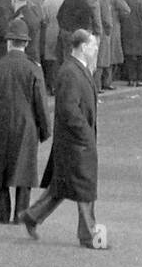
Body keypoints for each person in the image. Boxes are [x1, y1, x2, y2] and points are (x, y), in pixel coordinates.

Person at [18, 28, 108, 249]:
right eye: (94, 45)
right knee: (85, 187)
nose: (96, 49)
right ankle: (88, 234)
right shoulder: (70, 71)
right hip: (76, 142)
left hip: (74, 142)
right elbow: (69, 109)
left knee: (62, 186)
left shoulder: (79, 68)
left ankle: (32, 216)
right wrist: (85, 133)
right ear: (83, 47)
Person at [0, 19, 51, 223]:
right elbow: (41, 102)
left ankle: (1, 214)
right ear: (26, 44)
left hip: (0, 124)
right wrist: (44, 129)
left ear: (9, 42)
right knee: (24, 173)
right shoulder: (33, 68)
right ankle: (20, 214)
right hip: (26, 125)